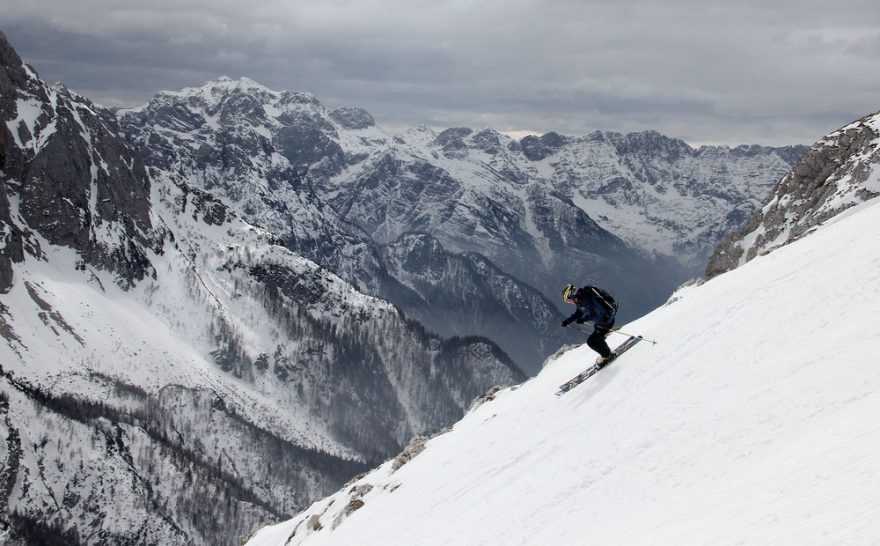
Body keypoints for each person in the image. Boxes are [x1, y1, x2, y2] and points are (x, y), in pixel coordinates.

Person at [560, 283, 618, 364]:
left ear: (571, 295)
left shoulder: (585, 299)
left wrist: (583, 319)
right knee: (597, 338)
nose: (569, 302)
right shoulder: (580, 300)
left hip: (606, 322)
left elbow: (593, 313)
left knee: (591, 342)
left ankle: (607, 355)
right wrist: (567, 321)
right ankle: (607, 353)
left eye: (568, 300)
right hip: (602, 322)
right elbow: (578, 313)